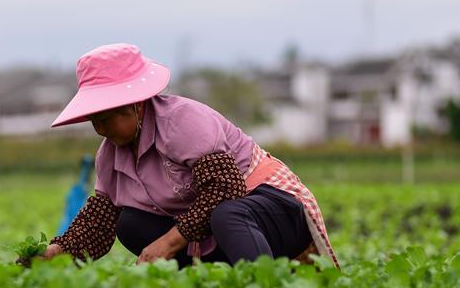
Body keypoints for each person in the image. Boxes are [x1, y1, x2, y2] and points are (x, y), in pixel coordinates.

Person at [41, 43, 338, 268]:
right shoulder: (110, 156)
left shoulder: (182, 121)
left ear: (137, 105)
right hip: (213, 225)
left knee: (228, 213)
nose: (100, 129)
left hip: (273, 211)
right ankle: (207, 283)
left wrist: (167, 244)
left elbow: (226, 190)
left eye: (106, 118)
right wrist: (59, 251)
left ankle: (263, 286)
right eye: (95, 120)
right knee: (129, 223)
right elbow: (100, 221)